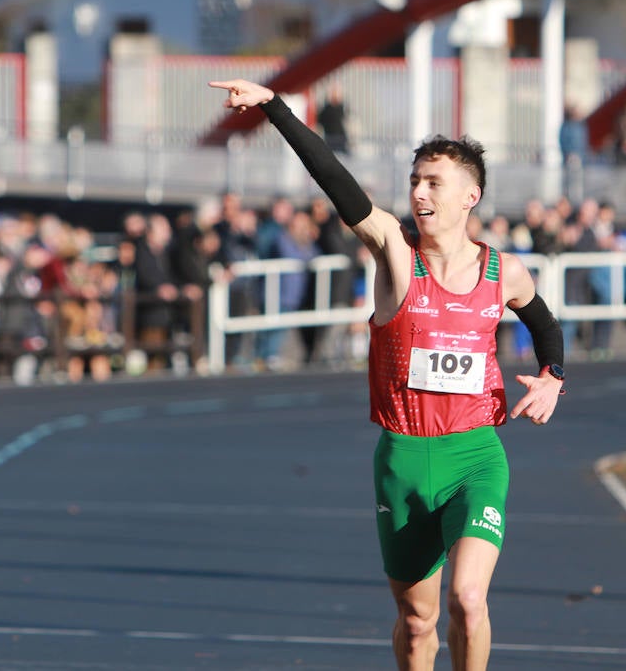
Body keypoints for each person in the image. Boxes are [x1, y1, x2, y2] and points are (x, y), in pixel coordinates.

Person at [210, 78, 566, 671]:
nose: (419, 193)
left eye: (434, 183)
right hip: (402, 460)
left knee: (467, 600)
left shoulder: (503, 271)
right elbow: (337, 183)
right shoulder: (395, 251)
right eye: (415, 181)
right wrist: (275, 107)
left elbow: (545, 324)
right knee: (418, 621)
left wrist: (553, 374)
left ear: (470, 196)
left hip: (475, 455)